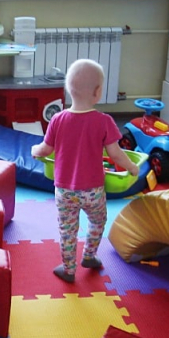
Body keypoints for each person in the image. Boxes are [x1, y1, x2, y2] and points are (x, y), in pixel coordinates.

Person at [32, 59, 138, 283]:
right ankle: (89, 256)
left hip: (65, 191)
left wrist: (35, 150)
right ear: (97, 92)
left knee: (67, 230)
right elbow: (116, 154)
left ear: (68, 90)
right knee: (98, 221)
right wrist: (132, 167)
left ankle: (68, 269)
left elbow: (45, 149)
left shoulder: (58, 119)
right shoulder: (104, 121)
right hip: (93, 191)